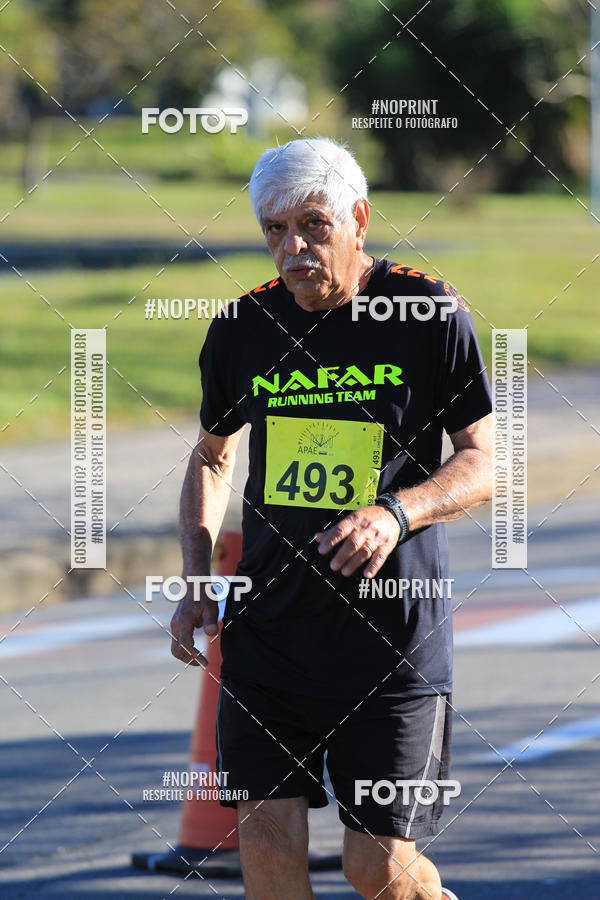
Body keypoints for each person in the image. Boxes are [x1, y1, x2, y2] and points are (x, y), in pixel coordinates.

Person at [171, 137, 492, 900]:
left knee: (376, 868)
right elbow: (213, 457)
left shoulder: (424, 311)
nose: (294, 249)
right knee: (269, 849)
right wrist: (194, 578)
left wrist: (396, 513)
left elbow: (484, 461)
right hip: (269, 636)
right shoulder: (244, 327)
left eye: (312, 225)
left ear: (358, 218)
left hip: (391, 646)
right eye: (274, 231)